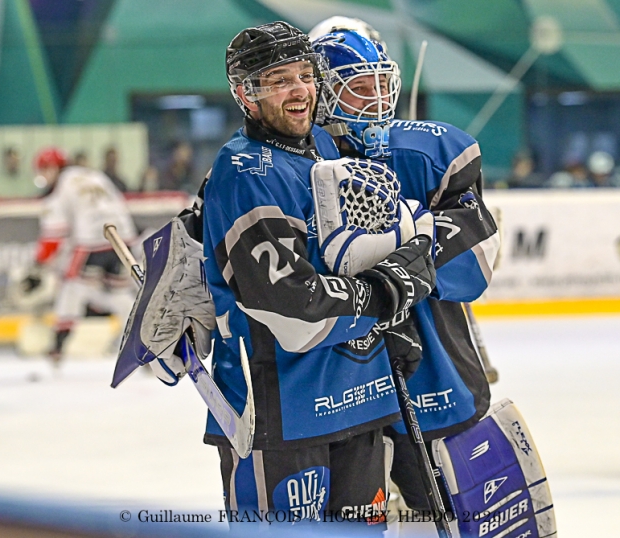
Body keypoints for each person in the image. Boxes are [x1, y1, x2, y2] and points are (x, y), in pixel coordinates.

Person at [198, 21, 435, 526]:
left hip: (358, 393)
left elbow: (356, 253)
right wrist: (386, 294)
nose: (301, 89)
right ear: (246, 93)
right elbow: (292, 306)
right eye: (280, 79)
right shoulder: (243, 172)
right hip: (278, 412)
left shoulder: (327, 149)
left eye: (305, 75)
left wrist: (395, 319)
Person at [312, 26, 499, 516]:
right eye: (358, 85)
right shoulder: (287, 160)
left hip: (430, 364)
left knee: (447, 502)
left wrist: (412, 255)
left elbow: (477, 253)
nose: (375, 100)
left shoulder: (422, 152)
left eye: (379, 83)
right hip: (337, 374)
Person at [23, 147, 138, 366]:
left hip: (92, 243)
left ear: (53, 169)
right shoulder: (93, 175)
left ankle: (58, 346)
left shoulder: (60, 190)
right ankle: (141, 343)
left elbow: (52, 238)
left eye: (44, 171)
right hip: (124, 238)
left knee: (72, 286)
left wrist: (37, 266)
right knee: (119, 292)